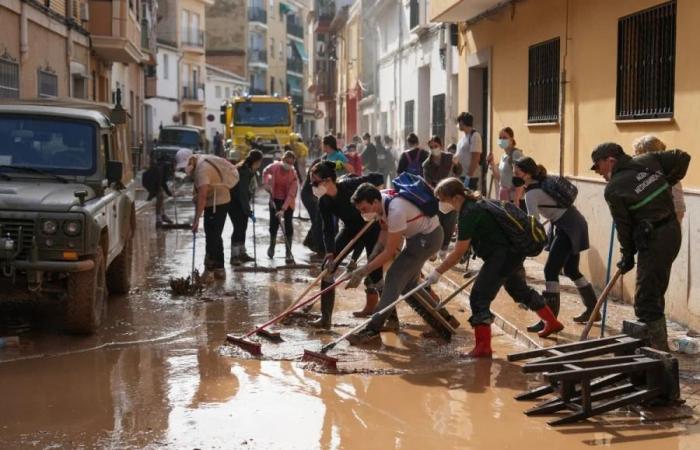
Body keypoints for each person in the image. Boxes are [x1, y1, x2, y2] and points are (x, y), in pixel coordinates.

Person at [424, 178, 563, 357]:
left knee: (479, 297)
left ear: (456, 197)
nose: (441, 204)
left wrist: (437, 272)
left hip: (503, 256)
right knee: (518, 289)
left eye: (442, 199)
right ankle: (551, 322)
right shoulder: (477, 203)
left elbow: (459, 251)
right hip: (512, 253)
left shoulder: (469, 212)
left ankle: (483, 347)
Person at [591, 143, 690, 351]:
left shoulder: (614, 188)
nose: (598, 172)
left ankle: (659, 357)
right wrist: (667, 181)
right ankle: (656, 351)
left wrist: (627, 255)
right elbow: (682, 157)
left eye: (598, 166)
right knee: (654, 292)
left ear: (610, 160)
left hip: (655, 240)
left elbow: (623, 227)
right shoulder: (648, 160)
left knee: (646, 301)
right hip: (672, 231)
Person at [344, 183, 444, 344]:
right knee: (408, 284)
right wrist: (373, 255)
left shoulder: (395, 210)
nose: (363, 213)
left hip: (428, 238)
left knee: (393, 276)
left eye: (364, 209)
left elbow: (389, 251)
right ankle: (443, 319)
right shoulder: (382, 202)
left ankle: (372, 329)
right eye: (360, 210)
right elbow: (384, 232)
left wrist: (363, 271)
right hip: (416, 237)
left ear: (375, 202)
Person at [513, 157, 598, 328]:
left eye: (517, 172)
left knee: (550, 270)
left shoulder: (531, 193)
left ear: (528, 174)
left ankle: (549, 320)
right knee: (571, 270)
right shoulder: (541, 182)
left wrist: (523, 242)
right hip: (575, 222)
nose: (514, 175)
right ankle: (593, 310)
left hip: (567, 226)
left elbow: (534, 223)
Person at [309, 161, 385, 328]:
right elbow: (327, 229)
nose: (313, 186)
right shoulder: (324, 201)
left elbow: (377, 177)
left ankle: (391, 319)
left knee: (375, 274)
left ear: (328, 180)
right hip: (350, 229)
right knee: (327, 268)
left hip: (370, 228)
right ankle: (325, 319)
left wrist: (377, 199)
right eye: (311, 183)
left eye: (315, 182)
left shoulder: (350, 185)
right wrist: (330, 252)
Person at [175, 149, 236, 281]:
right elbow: (200, 195)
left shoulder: (202, 170)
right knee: (215, 234)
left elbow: (202, 197)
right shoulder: (198, 162)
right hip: (215, 201)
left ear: (190, 161)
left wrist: (196, 220)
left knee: (212, 237)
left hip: (218, 202)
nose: (185, 170)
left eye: (185, 166)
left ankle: (208, 272)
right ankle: (220, 269)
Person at [632, 135, 686, 223]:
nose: (634, 157)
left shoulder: (649, 169)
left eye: (636, 154)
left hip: (662, 216)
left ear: (645, 153)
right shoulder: (668, 165)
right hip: (675, 211)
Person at [423, 136, 458, 259]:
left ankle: (444, 248)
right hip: (437, 196)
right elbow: (427, 183)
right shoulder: (427, 164)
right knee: (437, 224)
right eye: (431, 147)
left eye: (436, 146)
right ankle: (435, 247)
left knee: (450, 223)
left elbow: (459, 172)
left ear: (441, 145)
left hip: (452, 195)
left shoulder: (450, 158)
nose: (434, 149)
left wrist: (456, 165)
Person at [262, 150, 299, 264]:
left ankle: (288, 253)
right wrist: (266, 184)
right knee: (274, 224)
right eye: (287, 161)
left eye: (291, 163)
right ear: (282, 160)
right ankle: (272, 246)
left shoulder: (293, 174)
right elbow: (265, 172)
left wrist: (283, 209)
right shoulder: (274, 167)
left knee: (288, 224)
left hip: (288, 202)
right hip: (274, 199)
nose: (288, 164)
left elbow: (291, 194)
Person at [229, 150, 263, 265]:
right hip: (234, 203)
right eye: (259, 163)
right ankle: (234, 256)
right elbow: (242, 193)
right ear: (256, 161)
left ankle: (242, 253)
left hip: (241, 203)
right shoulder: (243, 171)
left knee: (242, 227)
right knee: (238, 227)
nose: (259, 165)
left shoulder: (249, 170)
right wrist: (248, 211)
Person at [488, 127, 524, 204]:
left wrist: (516, 199)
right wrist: (492, 164)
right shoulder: (503, 156)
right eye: (500, 138)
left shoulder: (516, 154)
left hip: (513, 198)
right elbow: (500, 179)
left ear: (511, 139)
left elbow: (521, 177)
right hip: (504, 196)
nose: (501, 140)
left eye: (504, 138)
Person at [143, 152, 173, 228]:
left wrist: (169, 193)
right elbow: (160, 182)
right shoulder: (163, 168)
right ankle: (158, 218)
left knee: (161, 195)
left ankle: (163, 215)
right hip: (149, 181)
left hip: (150, 181)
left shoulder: (162, 166)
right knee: (160, 196)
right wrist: (150, 195)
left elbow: (162, 182)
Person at [454, 112, 483, 191]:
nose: (458, 124)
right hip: (460, 175)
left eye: (458, 122)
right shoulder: (463, 137)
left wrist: (468, 176)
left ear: (462, 122)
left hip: (470, 177)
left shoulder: (475, 136)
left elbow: (476, 158)